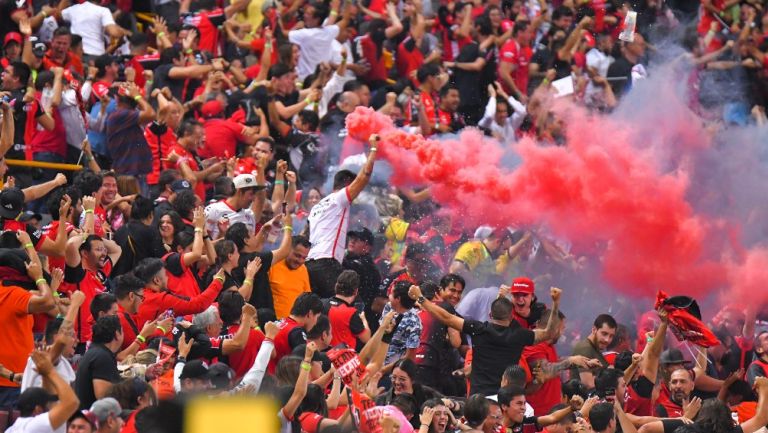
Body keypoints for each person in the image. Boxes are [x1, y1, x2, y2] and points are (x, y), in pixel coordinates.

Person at [408, 284, 562, 395]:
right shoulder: (520, 335)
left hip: (479, 398)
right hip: (503, 400)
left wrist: (421, 299)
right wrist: (555, 302)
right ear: (511, 316)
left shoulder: (479, 329)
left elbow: (446, 317)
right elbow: (549, 333)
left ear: (490, 315)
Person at [305, 135, 379, 298]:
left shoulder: (317, 206)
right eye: (353, 186)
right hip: (327, 265)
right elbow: (364, 176)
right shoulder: (338, 199)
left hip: (309, 266)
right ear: (347, 183)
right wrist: (373, 149)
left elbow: (305, 235)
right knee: (345, 304)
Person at [8, 351, 80, 433]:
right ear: (38, 410)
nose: (53, 407)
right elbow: (72, 402)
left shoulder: (12, 429)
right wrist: (50, 371)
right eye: (48, 405)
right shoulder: (36, 425)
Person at [73, 316, 123, 410]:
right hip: (94, 419)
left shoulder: (96, 352)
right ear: (117, 334)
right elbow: (103, 396)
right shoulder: (102, 357)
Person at [269, 292, 324, 372]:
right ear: (310, 314)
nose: (315, 322)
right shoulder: (296, 332)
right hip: (281, 380)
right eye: (317, 317)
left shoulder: (278, 323)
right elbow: (308, 366)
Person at [204, 173, 266, 239]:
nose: (253, 199)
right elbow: (203, 247)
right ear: (239, 191)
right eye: (251, 194)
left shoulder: (249, 215)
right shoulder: (213, 210)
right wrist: (222, 234)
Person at [269, 235, 312, 319]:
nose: (300, 261)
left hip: (295, 325)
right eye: (297, 256)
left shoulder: (303, 269)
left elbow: (307, 296)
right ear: (287, 249)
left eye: (304, 258)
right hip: (274, 323)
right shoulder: (272, 263)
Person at [570, 313, 617, 388]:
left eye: (611, 336)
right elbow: (588, 384)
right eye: (604, 334)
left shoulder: (595, 348)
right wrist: (611, 374)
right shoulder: (584, 348)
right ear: (594, 330)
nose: (607, 340)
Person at [327, 270, 371, 349]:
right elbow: (366, 338)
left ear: (336, 286)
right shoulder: (351, 313)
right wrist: (363, 319)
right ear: (356, 291)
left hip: (320, 355)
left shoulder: (320, 304)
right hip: (342, 358)